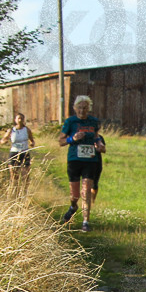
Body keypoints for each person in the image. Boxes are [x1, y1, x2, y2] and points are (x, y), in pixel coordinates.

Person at [58, 95, 101, 231]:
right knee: (75, 195)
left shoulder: (94, 122)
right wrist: (72, 138)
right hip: (74, 160)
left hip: (90, 160)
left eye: (85, 108)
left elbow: (96, 137)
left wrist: (99, 145)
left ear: (89, 108)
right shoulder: (70, 122)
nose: (82, 111)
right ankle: (73, 206)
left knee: (86, 190)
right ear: (75, 108)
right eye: (79, 108)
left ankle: (85, 222)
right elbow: (61, 141)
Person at [0, 112, 34, 188]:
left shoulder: (26, 130)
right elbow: (2, 140)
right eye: (18, 118)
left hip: (24, 152)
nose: (20, 120)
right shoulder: (11, 130)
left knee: (25, 175)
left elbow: (31, 139)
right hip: (14, 152)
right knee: (14, 175)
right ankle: (15, 191)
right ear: (15, 120)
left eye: (21, 118)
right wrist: (4, 141)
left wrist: (32, 143)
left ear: (23, 120)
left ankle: (25, 191)